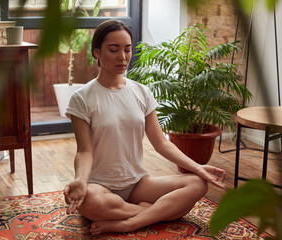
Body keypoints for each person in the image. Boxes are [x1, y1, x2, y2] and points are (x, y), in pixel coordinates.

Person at [63, 19, 226, 236]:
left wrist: (198, 167)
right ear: (97, 52)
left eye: (127, 49)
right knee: (88, 202)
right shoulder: (82, 98)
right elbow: (84, 151)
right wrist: (81, 181)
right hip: (99, 187)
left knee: (198, 184)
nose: (123, 57)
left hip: (138, 185)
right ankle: (151, 212)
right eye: (114, 49)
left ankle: (130, 222)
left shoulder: (141, 92)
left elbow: (160, 143)